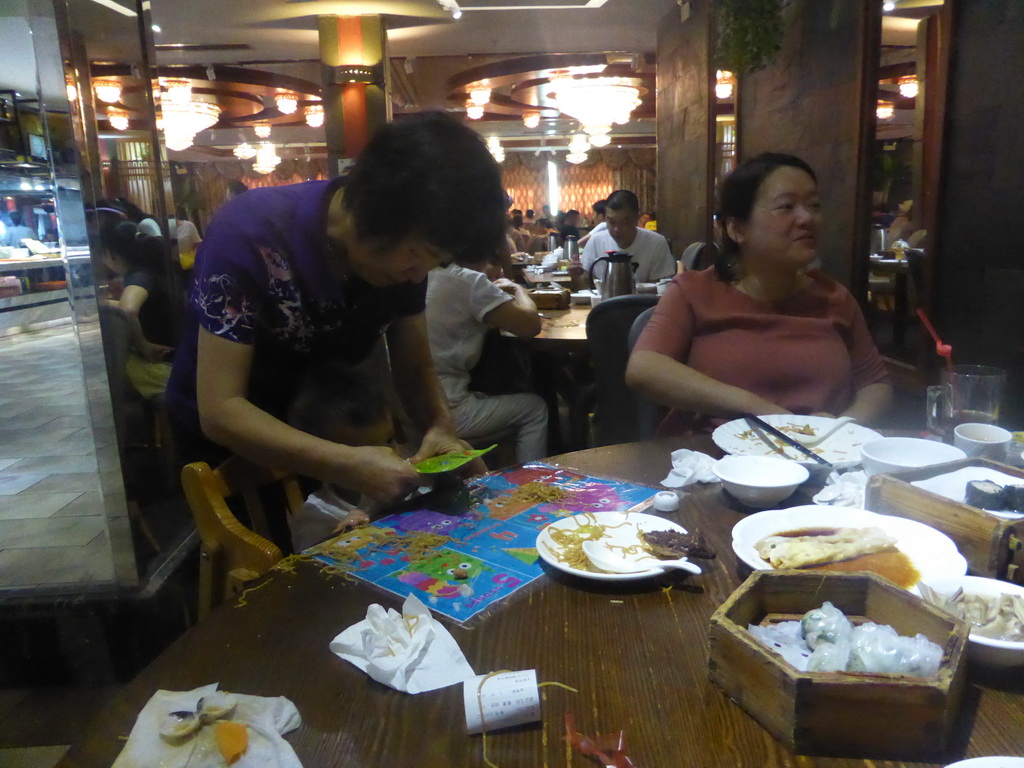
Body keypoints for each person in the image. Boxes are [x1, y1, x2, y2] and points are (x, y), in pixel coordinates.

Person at [166, 111, 508, 505]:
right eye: (419, 254)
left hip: (322, 428)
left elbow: (415, 367)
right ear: (374, 214)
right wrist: (346, 463)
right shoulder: (250, 234)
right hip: (227, 443)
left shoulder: (403, 260)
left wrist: (440, 428)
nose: (418, 277)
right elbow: (221, 409)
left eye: (436, 262)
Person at [626, 152, 892, 435]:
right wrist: (759, 410)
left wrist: (840, 430)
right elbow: (644, 367)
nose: (807, 218)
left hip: (818, 462)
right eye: (786, 206)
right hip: (711, 462)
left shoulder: (834, 298)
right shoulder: (693, 291)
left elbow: (875, 383)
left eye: (814, 205)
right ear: (736, 228)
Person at [425, 247, 548, 463]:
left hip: (408, 407)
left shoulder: (421, 275)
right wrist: (518, 289)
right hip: (446, 410)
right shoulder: (468, 281)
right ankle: (533, 484)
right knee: (534, 409)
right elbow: (530, 324)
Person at [286, 361, 391, 551]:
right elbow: (311, 570)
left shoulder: (393, 485)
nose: (388, 456)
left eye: (390, 441)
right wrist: (340, 541)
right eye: (367, 453)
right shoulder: (318, 515)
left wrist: (443, 476)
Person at [101, 221, 177, 398]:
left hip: (160, 367)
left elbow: (128, 309)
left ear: (111, 253)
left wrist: (143, 346)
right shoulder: (149, 270)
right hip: (174, 361)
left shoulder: (138, 275)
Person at [581, 190, 674, 284]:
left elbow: (659, 290)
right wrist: (577, 276)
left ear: (636, 219)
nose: (616, 229)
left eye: (624, 223)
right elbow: (585, 284)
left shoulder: (656, 243)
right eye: (611, 222)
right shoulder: (595, 241)